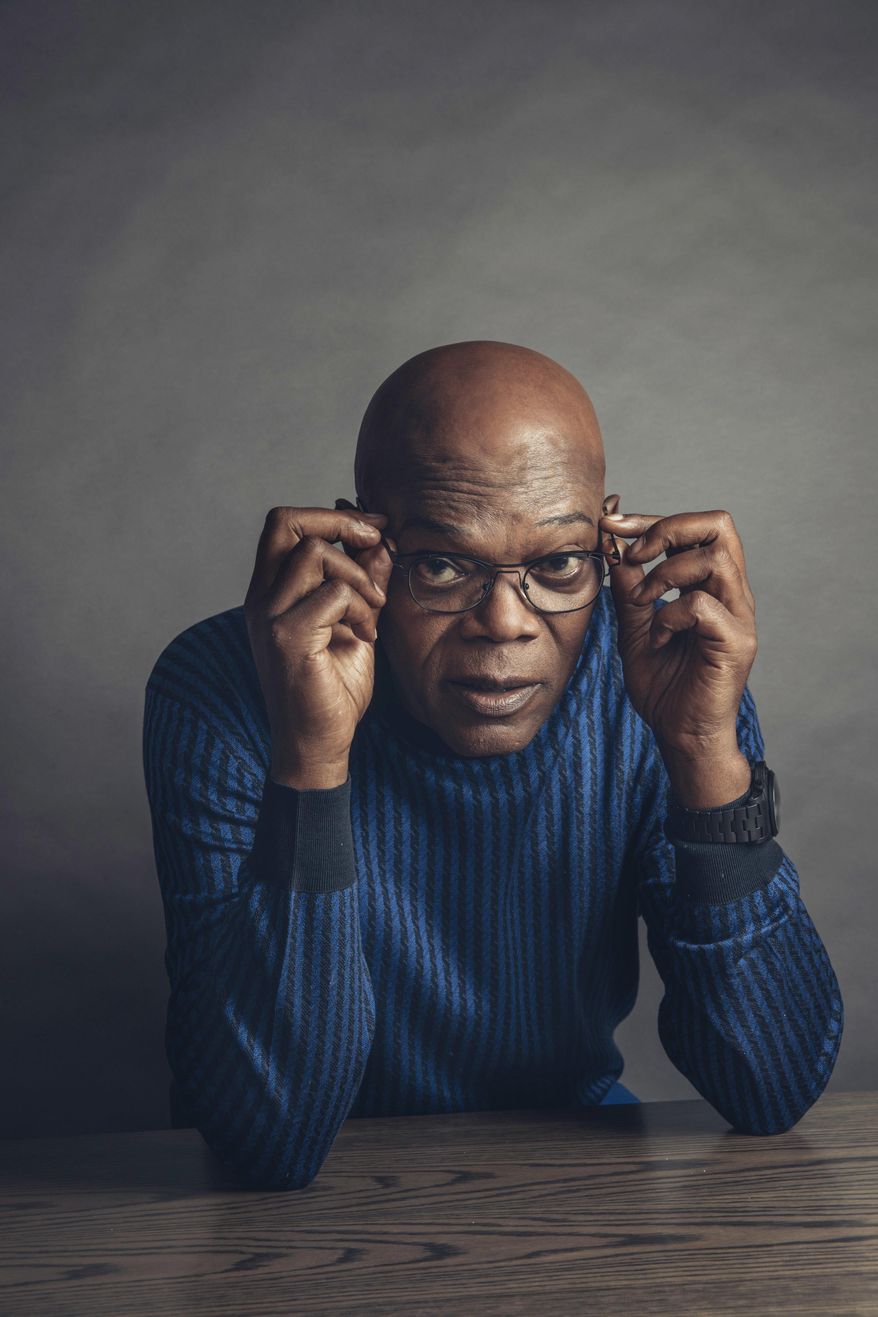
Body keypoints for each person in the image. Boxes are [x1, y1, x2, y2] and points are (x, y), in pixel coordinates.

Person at [142, 339, 843, 1191]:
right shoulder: (223, 686)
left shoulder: (660, 677)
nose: (505, 622)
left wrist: (702, 752)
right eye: (442, 563)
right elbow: (269, 1139)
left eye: (555, 564)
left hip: (571, 1175)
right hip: (297, 1214)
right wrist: (313, 756)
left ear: (606, 545)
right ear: (363, 543)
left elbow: (771, 1085)